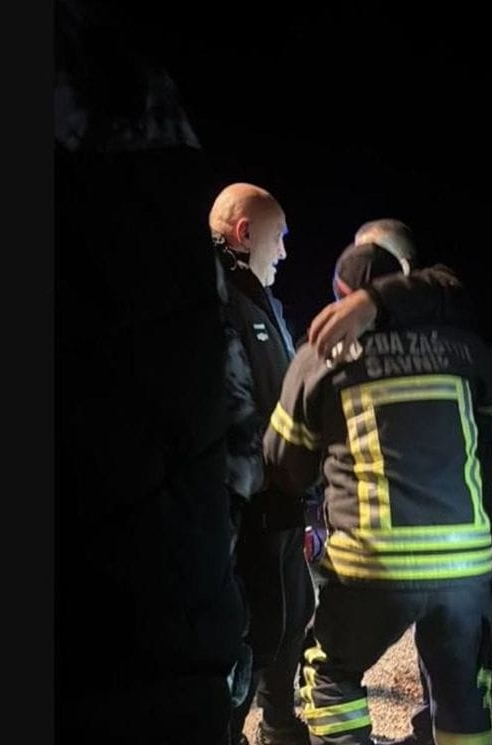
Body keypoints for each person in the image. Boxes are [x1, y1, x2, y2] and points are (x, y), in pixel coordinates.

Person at [56, 1, 245, 741]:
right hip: (175, 646)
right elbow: (237, 428)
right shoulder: (136, 95)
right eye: (282, 239)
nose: (289, 253)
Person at [263, 242, 492, 745]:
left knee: (331, 679)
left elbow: (283, 464)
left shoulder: (317, 359)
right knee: (462, 694)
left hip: (371, 566)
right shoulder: (461, 347)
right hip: (463, 565)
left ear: (341, 295)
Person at [210, 183, 316, 745]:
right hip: (243, 510)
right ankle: (226, 731)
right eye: (280, 237)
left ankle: (279, 723)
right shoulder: (214, 296)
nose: (284, 252)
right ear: (245, 232)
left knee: (292, 613)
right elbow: (227, 409)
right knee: (247, 633)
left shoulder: (263, 303)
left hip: (282, 504)